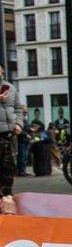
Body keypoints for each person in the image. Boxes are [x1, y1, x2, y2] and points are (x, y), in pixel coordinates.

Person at [0, 63, 24, 195]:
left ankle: (6, 195)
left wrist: (19, 124)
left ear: (2, 70)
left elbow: (18, 108)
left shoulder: (11, 88)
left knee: (9, 167)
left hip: (9, 134)